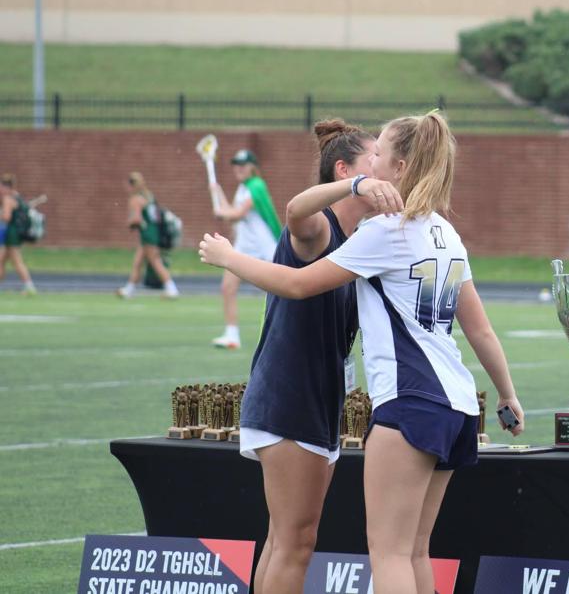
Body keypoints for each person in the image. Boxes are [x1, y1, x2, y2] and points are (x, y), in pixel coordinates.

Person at [199, 111, 525, 594]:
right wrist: (507, 394)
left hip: (410, 401)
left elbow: (296, 284)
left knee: (388, 554)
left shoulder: (385, 231)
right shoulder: (445, 232)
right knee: (414, 552)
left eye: (379, 154)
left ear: (398, 167)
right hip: (456, 404)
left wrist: (229, 259)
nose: (373, 164)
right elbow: (479, 330)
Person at [242, 119, 401, 594]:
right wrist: (356, 187)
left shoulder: (354, 243)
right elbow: (295, 210)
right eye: (373, 159)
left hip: (314, 401)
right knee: (295, 543)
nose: (381, 168)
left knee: (284, 540)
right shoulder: (320, 229)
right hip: (290, 400)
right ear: (343, 171)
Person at [209, 149, 282, 349]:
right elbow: (230, 213)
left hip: (264, 247)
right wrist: (217, 192)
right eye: (236, 165)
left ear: (252, 167)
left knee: (279, 291)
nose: (239, 169)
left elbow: (238, 214)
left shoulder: (256, 185)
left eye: (243, 165)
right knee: (228, 287)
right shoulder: (242, 188)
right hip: (244, 246)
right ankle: (232, 335)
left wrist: (222, 214)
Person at [115, 172, 180, 299]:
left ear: (130, 185)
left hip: (148, 234)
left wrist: (129, 223)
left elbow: (136, 219)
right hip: (153, 232)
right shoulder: (148, 196)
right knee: (138, 262)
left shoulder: (135, 199)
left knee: (155, 262)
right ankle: (129, 289)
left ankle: (172, 289)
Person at [0, 173, 37, 296]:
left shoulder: (7, 199)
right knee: (1, 260)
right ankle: (29, 286)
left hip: (11, 234)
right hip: (16, 234)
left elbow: (6, 217)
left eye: (1, 187)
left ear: (5, 187)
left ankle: (29, 287)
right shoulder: (17, 196)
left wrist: (1, 213)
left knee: (17, 261)